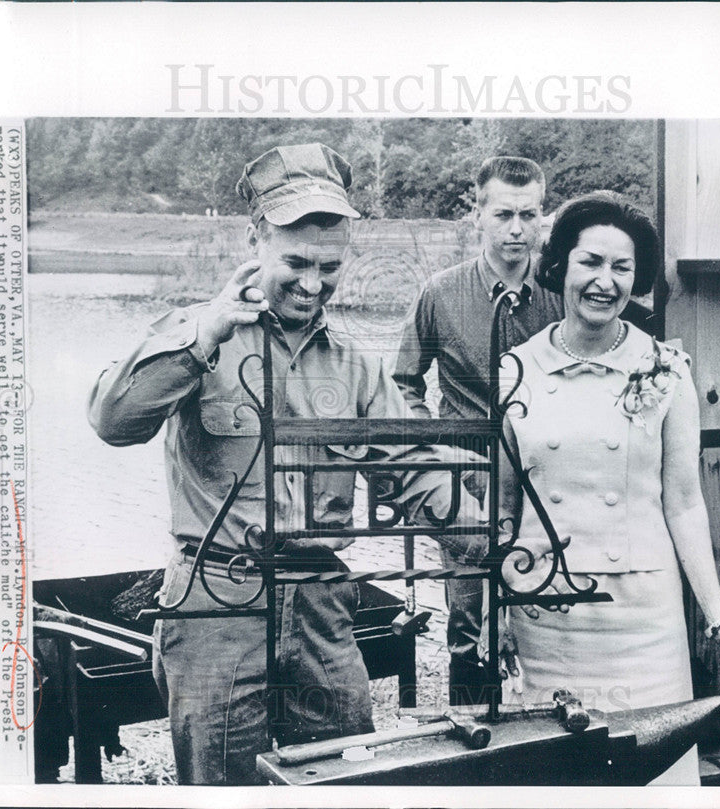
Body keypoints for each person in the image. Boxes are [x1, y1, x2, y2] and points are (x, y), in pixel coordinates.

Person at [88, 143, 469, 785]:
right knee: (222, 786)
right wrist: (203, 337)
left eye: (329, 266)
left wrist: (497, 544)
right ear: (254, 238)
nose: (312, 284)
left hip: (321, 608)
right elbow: (113, 421)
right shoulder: (194, 332)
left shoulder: (356, 366)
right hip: (215, 607)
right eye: (295, 262)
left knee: (344, 781)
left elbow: (416, 473)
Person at [491, 190, 720, 785]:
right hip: (548, 609)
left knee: (653, 776)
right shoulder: (514, 370)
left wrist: (719, 618)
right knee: (560, 773)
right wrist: (496, 609)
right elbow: (504, 504)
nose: (604, 281)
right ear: (561, 263)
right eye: (591, 262)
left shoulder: (666, 370)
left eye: (622, 268)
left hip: (642, 618)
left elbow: (685, 502)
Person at [393, 157, 653, 706]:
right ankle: (472, 737)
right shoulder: (439, 295)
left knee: (552, 610)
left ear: (543, 218)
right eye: (504, 214)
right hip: (466, 489)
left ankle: (550, 731)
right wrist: (437, 454)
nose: (517, 229)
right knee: (469, 626)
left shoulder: (571, 290)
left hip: (546, 485)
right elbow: (403, 385)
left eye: (529, 215)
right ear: (477, 214)